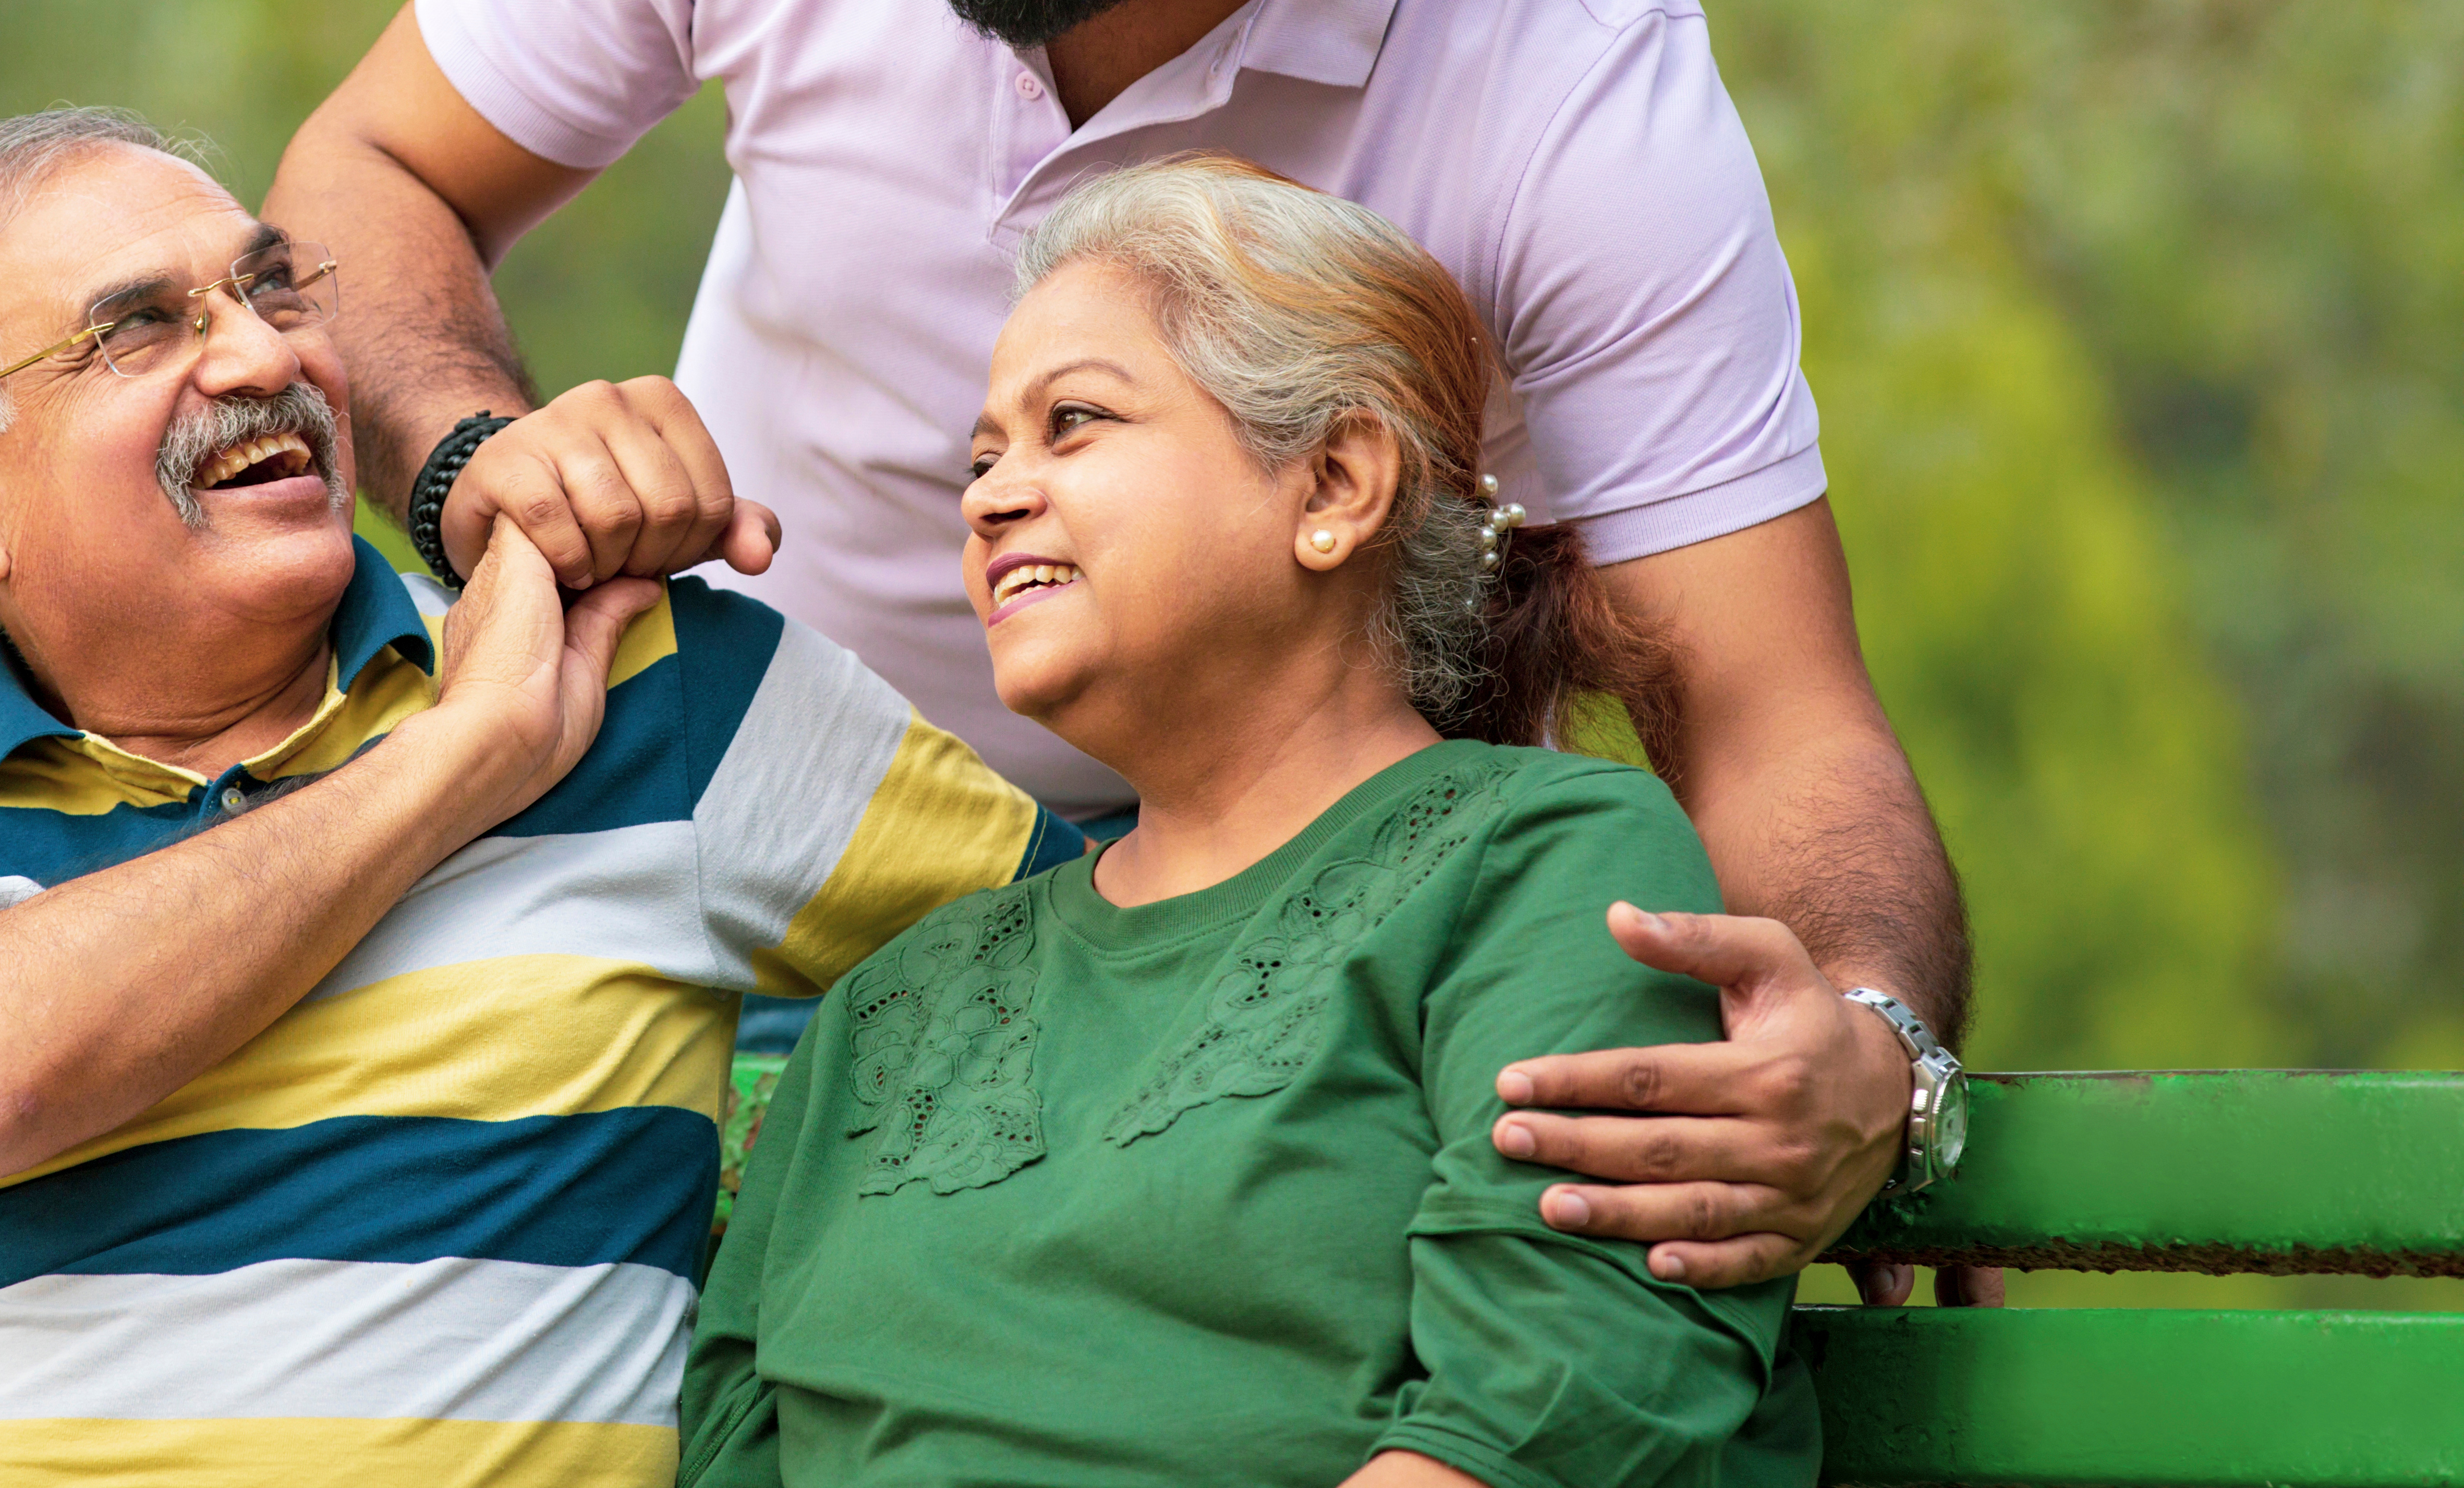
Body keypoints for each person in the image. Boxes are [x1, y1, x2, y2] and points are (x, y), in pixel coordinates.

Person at [271, 0, 1973, 1289]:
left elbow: (1769, 709)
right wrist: (475, 458)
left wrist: (1869, 1040)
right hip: (733, 848)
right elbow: (369, 176)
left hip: (1266, 965)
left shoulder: (1558, 42)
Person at [0, 108, 1079, 1486]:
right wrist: (461, 759)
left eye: (273, 290)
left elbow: (1140, 979)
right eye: (139, 328)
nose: (264, 355)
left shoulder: (645, 677)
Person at [682, 155, 1820, 1488]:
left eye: (1073, 422)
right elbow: (735, 1442)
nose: (989, 496)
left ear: (1333, 484)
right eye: (982, 459)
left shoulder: (1543, 865)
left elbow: (1553, 1410)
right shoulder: (898, 996)